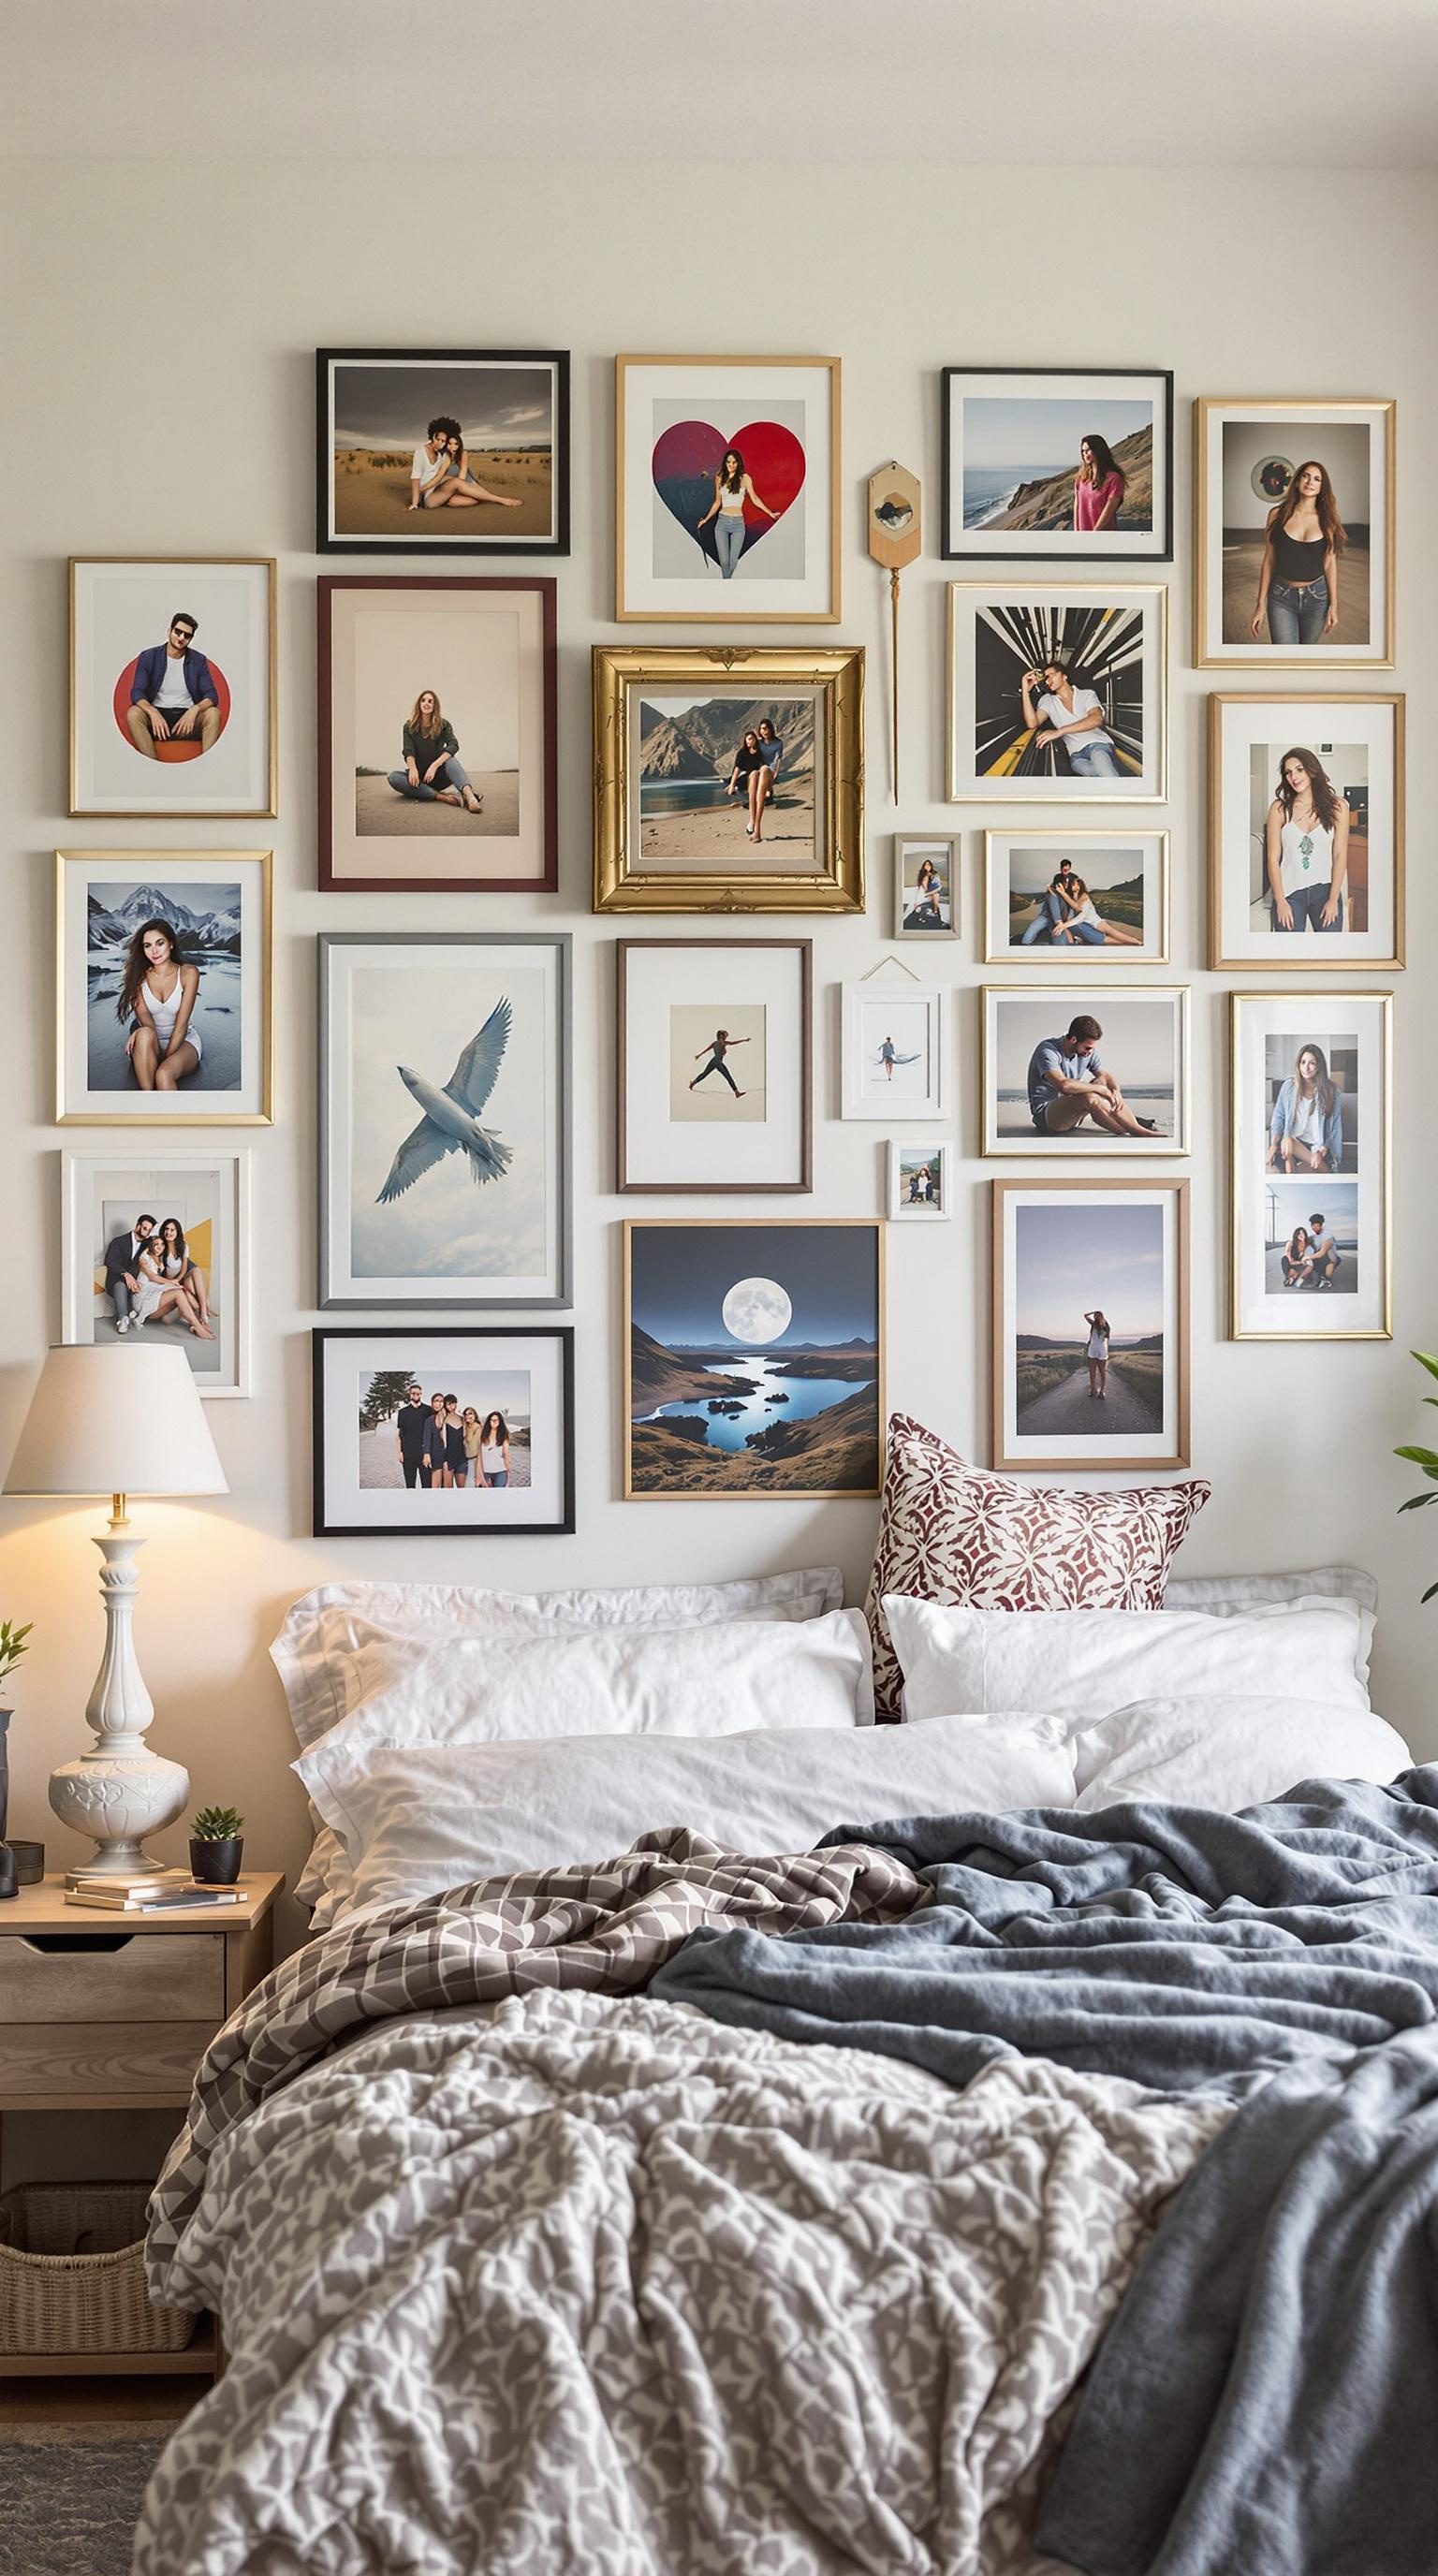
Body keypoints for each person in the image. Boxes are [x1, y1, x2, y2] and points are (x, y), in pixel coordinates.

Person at [1250, 460, 1345, 646]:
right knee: (1283, 657)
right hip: (1281, 598)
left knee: (1306, 657)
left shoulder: (1328, 520)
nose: (1310, 482)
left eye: (1317, 479)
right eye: (1306, 476)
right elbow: (1269, 560)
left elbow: (1330, 563)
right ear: (1296, 480)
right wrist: (1260, 604)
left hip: (1317, 599)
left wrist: (1334, 605)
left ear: (1322, 487)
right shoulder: (1276, 515)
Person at [1026, 1015, 1160, 1139]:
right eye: (1088, 1047)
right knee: (1091, 1095)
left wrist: (1115, 1091)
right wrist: (1101, 1090)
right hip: (1047, 1119)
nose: (1090, 1051)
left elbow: (1105, 1075)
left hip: (1072, 1115)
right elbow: (1064, 1085)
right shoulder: (1048, 1050)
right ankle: (1134, 1131)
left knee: (1099, 1082)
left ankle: (1131, 1126)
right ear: (1073, 1040)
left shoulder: (1088, 1053)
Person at [1264, 748, 1348, 936]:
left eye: (1299, 769)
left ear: (1312, 770)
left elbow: (1340, 854)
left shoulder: (1338, 807)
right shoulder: (1279, 809)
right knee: (1288, 957)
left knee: (1330, 956)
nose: (1293, 776)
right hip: (1289, 894)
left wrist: (1333, 899)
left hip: (1326, 891)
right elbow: (1272, 859)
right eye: (1288, 772)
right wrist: (1281, 901)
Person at [118, 920, 203, 1092]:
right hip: (150, 1043)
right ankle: (149, 1109)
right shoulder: (137, 977)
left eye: (160, 943)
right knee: (143, 1032)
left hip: (184, 1040)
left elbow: (181, 1025)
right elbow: (147, 1024)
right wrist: (148, 1050)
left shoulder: (189, 973)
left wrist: (164, 1061)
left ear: (171, 944)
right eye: (148, 946)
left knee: (163, 1075)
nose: (154, 951)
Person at [126, 613, 221, 761]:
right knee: (133, 713)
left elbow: (212, 695)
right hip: (157, 721)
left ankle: (208, 766)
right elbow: (137, 692)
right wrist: (152, 711)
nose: (181, 637)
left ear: (191, 639)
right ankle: (153, 766)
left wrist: (194, 710)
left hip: (187, 721)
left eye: (187, 635)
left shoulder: (198, 661)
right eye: (178, 632)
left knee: (213, 714)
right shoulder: (148, 657)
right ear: (169, 631)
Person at [1020, 657, 1123, 781]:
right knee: (1100, 777)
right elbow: (1032, 723)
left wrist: (1059, 732)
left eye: (1051, 675)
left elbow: (1096, 719)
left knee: (1107, 776)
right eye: (1046, 677)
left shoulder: (1087, 694)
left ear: (1064, 676)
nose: (1048, 680)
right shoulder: (1048, 701)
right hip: (1076, 756)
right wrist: (1026, 692)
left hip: (1097, 745)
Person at [387, 689, 484, 815]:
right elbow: (408, 750)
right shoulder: (409, 726)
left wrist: (435, 765)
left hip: (439, 776)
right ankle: (443, 797)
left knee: (451, 759)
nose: (426, 703)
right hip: (419, 780)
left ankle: (470, 797)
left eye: (430, 701)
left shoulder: (443, 725)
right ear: (419, 704)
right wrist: (413, 769)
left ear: (434, 706)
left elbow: (453, 745)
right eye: (423, 700)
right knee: (393, 777)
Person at [697, 447, 779, 578]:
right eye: (728, 462)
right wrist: (706, 519)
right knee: (724, 562)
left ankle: (725, 586)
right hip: (722, 523)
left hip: (738, 524)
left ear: (738, 463)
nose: (731, 465)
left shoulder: (745, 478)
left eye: (734, 462)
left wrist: (770, 513)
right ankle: (727, 587)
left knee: (733, 563)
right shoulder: (719, 478)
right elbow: (717, 502)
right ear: (725, 463)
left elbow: (755, 498)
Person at [1268, 1043, 1344, 1173]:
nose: (1306, 1068)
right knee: (1289, 1141)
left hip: (1317, 1147)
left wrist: (1322, 1150)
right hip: (1292, 1144)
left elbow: (1335, 1128)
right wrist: (1273, 1145)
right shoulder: (1288, 1087)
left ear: (1319, 1066)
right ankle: (1323, 1169)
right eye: (1303, 1062)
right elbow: (1278, 1117)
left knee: (1300, 1169)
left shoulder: (1331, 1091)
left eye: (1311, 1063)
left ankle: (1317, 1166)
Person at [425, 424, 522, 514]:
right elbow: (437, 476)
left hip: (466, 483)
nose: (453, 447)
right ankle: (493, 499)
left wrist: (448, 478)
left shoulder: (463, 454)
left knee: (471, 497)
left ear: (460, 445)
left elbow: (462, 477)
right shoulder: (444, 456)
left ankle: (497, 499)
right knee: (453, 500)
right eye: (450, 444)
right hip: (449, 486)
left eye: (456, 444)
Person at [153, 1216, 214, 1339]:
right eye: (167, 1229)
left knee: (195, 1272)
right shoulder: (160, 1247)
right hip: (169, 1284)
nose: (168, 1232)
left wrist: (179, 1279)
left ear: (177, 1232)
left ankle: (202, 1315)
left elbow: (185, 1267)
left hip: (181, 1278)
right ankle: (199, 1315)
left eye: (172, 1230)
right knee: (166, 1320)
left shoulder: (183, 1246)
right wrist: (173, 1283)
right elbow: (158, 1273)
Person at [1049, 875, 1143, 947]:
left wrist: (1064, 925)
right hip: (1089, 922)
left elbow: (1081, 916)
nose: (1071, 885)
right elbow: (1075, 906)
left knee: (1115, 934)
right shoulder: (1075, 896)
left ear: (1079, 886)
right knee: (1113, 936)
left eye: (1074, 884)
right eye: (1072, 883)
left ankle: (1136, 942)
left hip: (1097, 922)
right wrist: (1062, 892)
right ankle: (1134, 942)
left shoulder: (1084, 896)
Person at [103, 1212, 156, 1336]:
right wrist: (126, 1274)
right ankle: (123, 1319)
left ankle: (137, 1313)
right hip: (116, 1280)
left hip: (137, 1281)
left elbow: (161, 1249)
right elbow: (110, 1261)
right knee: (120, 1285)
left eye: (149, 1230)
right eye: (144, 1228)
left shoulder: (148, 1243)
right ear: (137, 1226)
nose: (146, 1232)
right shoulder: (118, 1241)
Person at [725, 728, 774, 842]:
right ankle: (752, 821)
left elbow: (768, 761)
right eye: (747, 740)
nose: (749, 742)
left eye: (751, 739)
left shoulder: (761, 750)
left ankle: (757, 830)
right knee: (753, 774)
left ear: (755, 740)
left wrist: (768, 788)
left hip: (763, 778)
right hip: (751, 778)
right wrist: (732, 784)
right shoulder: (742, 753)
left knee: (763, 770)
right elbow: (737, 769)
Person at [1020, 857, 1082, 944]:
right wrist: (1058, 922)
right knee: (1026, 939)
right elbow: (1053, 896)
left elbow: (1073, 904)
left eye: (1067, 869)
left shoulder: (1073, 879)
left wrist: (1067, 922)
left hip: (1064, 917)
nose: (1066, 872)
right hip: (1047, 916)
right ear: (1061, 869)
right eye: (1064, 870)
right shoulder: (1056, 882)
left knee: (1060, 940)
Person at [1073, 433, 1126, 534]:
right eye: (1083, 451)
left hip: (1105, 537)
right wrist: (1076, 533)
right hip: (1082, 536)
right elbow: (1077, 507)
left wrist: (1095, 534)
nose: (1085, 454)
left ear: (1098, 450)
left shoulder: (1114, 479)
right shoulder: (1081, 479)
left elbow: (1109, 509)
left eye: (1088, 450)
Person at [407, 419, 457, 512]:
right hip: (427, 495)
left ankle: (487, 498)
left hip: (437, 489)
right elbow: (415, 478)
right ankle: (492, 498)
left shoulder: (440, 455)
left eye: (443, 441)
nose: (440, 443)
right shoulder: (420, 452)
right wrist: (414, 503)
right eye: (438, 439)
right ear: (433, 436)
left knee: (461, 500)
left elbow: (439, 476)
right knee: (457, 482)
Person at [689, 1028, 749, 1098]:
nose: (726, 1037)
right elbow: (733, 1043)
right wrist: (744, 1040)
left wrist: (699, 1055)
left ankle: (692, 1083)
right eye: (725, 1035)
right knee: (728, 1076)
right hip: (718, 1062)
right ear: (721, 1036)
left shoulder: (715, 1043)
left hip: (713, 1061)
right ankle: (736, 1092)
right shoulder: (723, 1042)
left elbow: (706, 1050)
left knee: (704, 1074)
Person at [394, 1381, 432, 1489]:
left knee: (427, 1485)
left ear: (421, 1394)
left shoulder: (428, 1410)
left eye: (418, 1393)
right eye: (413, 1393)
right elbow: (400, 1434)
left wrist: (428, 1453)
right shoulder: (402, 1412)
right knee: (410, 1486)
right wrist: (400, 1453)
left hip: (424, 1454)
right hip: (408, 1454)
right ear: (409, 1395)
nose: (415, 1395)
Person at [421, 1391, 450, 1489]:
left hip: (449, 1455)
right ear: (432, 1403)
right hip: (436, 1455)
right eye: (436, 1401)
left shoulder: (450, 1417)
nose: (438, 1404)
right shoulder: (429, 1420)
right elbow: (427, 1438)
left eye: (441, 1401)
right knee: (435, 1486)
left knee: (447, 1486)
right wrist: (426, 1454)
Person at [1307, 1211, 1343, 1289]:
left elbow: (1321, 1253)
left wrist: (1307, 1257)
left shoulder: (1327, 1236)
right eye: (1311, 1225)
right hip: (1321, 1259)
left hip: (1330, 1259)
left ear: (1321, 1224)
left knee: (1328, 1275)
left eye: (1314, 1225)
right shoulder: (1315, 1236)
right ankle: (1317, 1275)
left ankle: (1322, 1274)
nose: (1313, 1227)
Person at [477, 1411, 511, 1489]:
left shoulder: (504, 1437)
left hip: (501, 1472)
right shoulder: (483, 1436)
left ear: (500, 1422)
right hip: (485, 1472)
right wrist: (480, 1477)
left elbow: (506, 1457)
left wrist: (508, 1477)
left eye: (496, 1420)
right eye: (492, 1420)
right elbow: (479, 1458)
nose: (493, 1422)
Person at [1084, 1310, 1110, 1398]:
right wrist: (1095, 1312)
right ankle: (1096, 1390)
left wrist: (1093, 1312)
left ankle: (1098, 1391)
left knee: (1098, 1371)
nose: (1095, 1317)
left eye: (1097, 1316)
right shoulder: (1098, 1325)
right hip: (1097, 1349)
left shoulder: (1102, 1325)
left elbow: (1085, 1316)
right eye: (1095, 1316)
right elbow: (1085, 1316)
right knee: (1096, 1371)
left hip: (1098, 1349)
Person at [442, 1395, 466, 1488]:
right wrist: (444, 1459)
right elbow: (443, 1442)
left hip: (461, 1457)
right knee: (448, 1488)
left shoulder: (461, 1418)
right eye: (448, 1404)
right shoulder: (443, 1419)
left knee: (462, 1489)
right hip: (448, 1457)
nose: (451, 1406)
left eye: (453, 1403)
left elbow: (465, 1436)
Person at [1281, 1224, 1313, 1288]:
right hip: (1291, 1266)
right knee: (1284, 1259)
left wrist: (1301, 1262)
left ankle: (1297, 1278)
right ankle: (1290, 1277)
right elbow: (1289, 1260)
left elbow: (1306, 1260)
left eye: (1303, 1233)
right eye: (1299, 1233)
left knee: (1310, 1264)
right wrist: (1300, 1262)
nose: (1301, 1235)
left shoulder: (1308, 1246)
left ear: (1305, 1235)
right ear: (1296, 1235)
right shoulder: (1290, 1243)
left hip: (1300, 1266)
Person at [462, 1406, 483, 1485]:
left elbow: (480, 1446)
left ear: (475, 1415)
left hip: (476, 1460)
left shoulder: (478, 1427)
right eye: (466, 1414)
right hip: (467, 1460)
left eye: (470, 1414)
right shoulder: (466, 1427)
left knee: (474, 1483)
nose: (468, 1416)